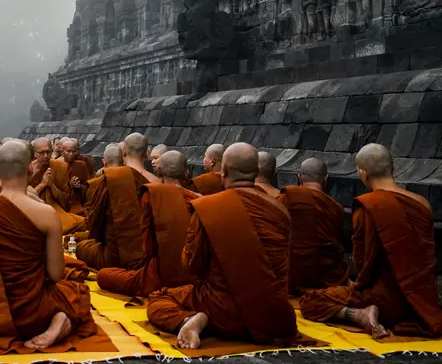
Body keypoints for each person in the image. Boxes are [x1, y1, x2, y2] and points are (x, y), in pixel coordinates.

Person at [0, 141, 98, 351]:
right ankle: (61, 321)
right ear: (30, 168)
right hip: (34, 314)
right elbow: (56, 275)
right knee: (76, 291)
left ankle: (57, 320)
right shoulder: (46, 214)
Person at [146, 143, 296, 349]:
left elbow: (191, 264)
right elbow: (284, 267)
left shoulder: (210, 207)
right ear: (257, 171)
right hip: (273, 318)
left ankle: (188, 319)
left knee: (159, 299)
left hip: (221, 310)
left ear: (223, 171)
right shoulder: (280, 210)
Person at [300, 144, 442, 339]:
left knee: (311, 301)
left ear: (362, 173)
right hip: (422, 304)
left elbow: (362, 264)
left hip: (384, 301)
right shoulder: (421, 203)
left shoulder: (369, 206)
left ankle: (360, 314)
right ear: (393, 168)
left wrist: (356, 286)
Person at [97, 150, 198, 296]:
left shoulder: (153, 195)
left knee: (104, 275)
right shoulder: (199, 199)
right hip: (192, 275)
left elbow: (147, 246)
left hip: (157, 275)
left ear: (160, 171)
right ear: (186, 172)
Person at [76, 136, 152, 270]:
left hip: (113, 255)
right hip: (146, 255)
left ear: (123, 153)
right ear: (147, 153)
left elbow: (95, 222)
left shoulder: (111, 179)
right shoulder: (155, 182)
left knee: (81, 247)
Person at [278, 158, 349, 295]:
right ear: (326, 178)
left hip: (291, 275)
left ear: (299, 177)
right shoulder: (336, 208)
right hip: (324, 277)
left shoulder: (287, 199)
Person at [30, 138, 86, 235]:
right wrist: (43, 184)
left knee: (84, 223)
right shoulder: (27, 169)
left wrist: (51, 185)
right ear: (34, 153)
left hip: (54, 210)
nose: (46, 156)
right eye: (42, 152)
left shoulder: (59, 166)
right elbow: (24, 197)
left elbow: (65, 200)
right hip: (32, 209)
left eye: (48, 152)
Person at [61, 138, 90, 215]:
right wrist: (69, 185)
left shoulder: (81, 165)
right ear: (62, 152)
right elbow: (55, 189)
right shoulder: (57, 165)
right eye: (68, 151)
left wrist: (79, 187)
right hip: (63, 205)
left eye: (74, 151)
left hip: (79, 204)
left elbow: (89, 186)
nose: (71, 154)